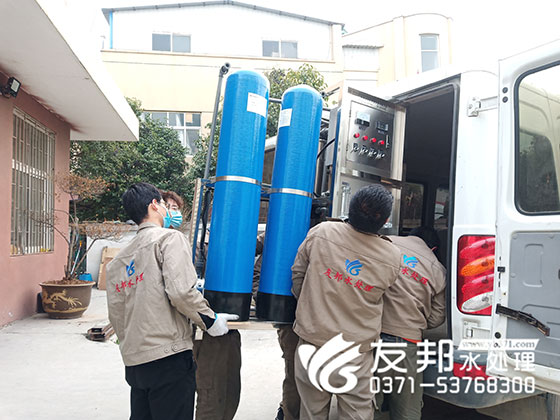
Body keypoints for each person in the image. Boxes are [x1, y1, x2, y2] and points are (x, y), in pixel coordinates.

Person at [106, 182, 237, 420]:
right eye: (165, 205)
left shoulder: (118, 261)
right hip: (168, 358)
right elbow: (181, 292)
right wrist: (211, 321)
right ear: (154, 205)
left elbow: (116, 313)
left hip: (135, 362)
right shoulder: (169, 239)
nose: (169, 210)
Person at [291, 184, 401, 420]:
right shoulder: (392, 256)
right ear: (385, 221)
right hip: (356, 352)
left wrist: (312, 305)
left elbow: (298, 276)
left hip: (313, 343)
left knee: (311, 413)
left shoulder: (322, 232)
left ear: (349, 208)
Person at [374, 226, 446, 420]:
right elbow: (437, 317)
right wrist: (413, 321)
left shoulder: (386, 243)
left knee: (366, 406)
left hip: (373, 337)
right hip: (408, 344)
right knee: (407, 410)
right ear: (433, 248)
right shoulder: (438, 270)